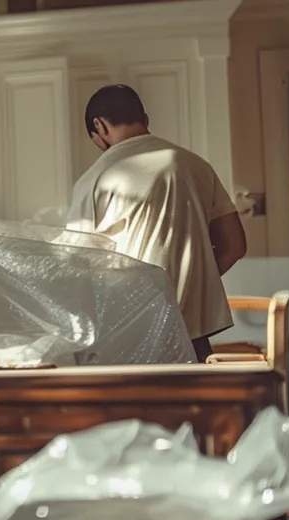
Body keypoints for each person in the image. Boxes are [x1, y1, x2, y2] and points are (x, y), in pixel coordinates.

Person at [68, 84, 248, 361]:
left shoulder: (94, 179)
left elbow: (79, 267)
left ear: (99, 126)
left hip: (130, 333)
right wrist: (191, 283)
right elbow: (234, 245)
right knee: (199, 403)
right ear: (145, 119)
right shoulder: (197, 166)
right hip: (194, 334)